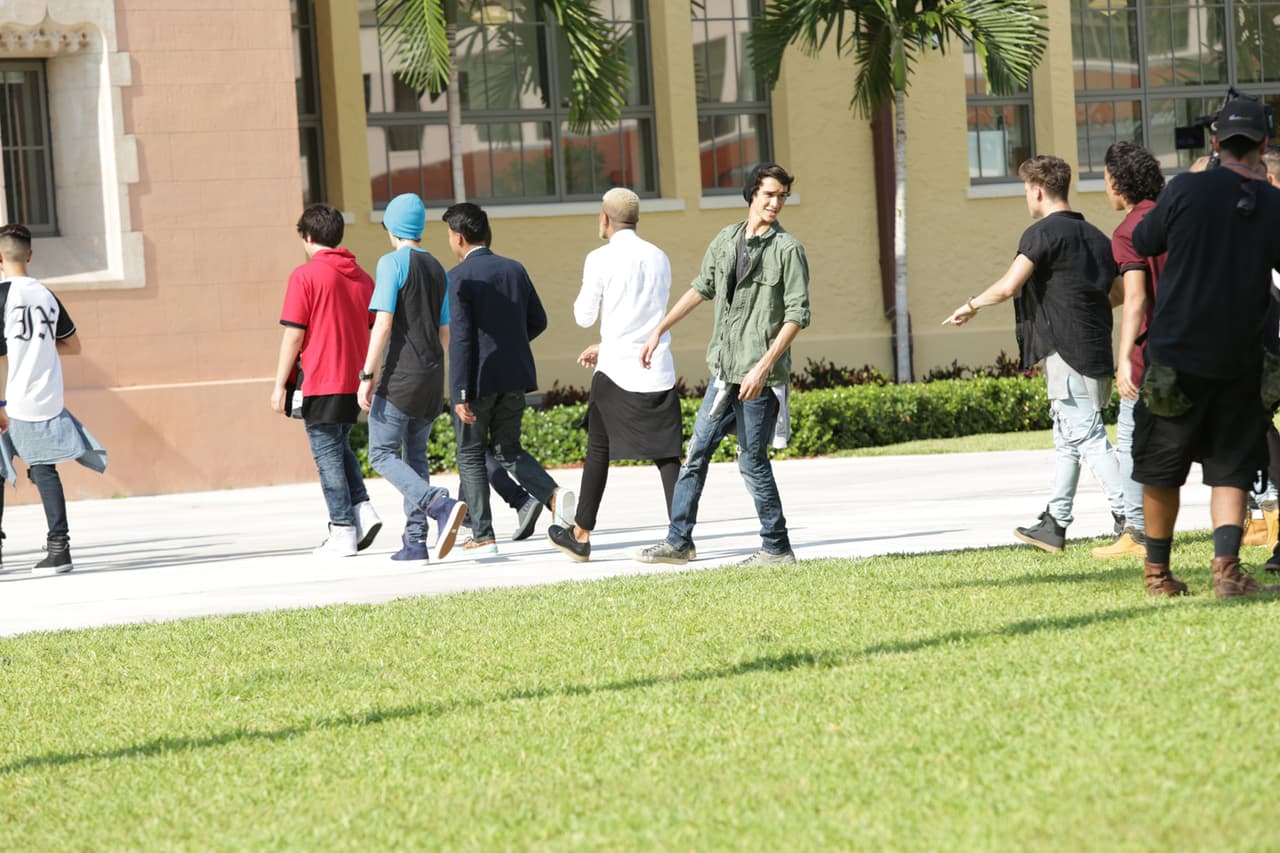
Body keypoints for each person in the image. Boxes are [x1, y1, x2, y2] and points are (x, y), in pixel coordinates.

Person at [1130, 97, 1280, 598]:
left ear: (1214, 143)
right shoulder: (1274, 203)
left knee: (1161, 464)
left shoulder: (1186, 188)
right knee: (1233, 465)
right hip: (1241, 356)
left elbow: (1146, 238)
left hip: (1175, 354)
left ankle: (1157, 573)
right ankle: (1226, 570)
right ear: (1264, 144)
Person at [944, 155, 1126, 554]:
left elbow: (1010, 286)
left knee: (1088, 437)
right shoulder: (1097, 237)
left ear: (1038, 190)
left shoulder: (1040, 234)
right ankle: (1055, 524)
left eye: (1027, 190)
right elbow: (1118, 294)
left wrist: (971, 305)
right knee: (1068, 438)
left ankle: (1130, 518)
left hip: (1067, 353)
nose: (1027, 197)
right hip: (1096, 350)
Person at [636, 162, 810, 566]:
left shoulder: (788, 250)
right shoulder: (726, 239)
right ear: (752, 193)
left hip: (757, 380)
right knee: (696, 453)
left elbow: (797, 315)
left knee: (751, 462)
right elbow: (702, 287)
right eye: (769, 194)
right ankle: (679, 542)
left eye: (782, 196)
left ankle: (777, 547)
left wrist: (763, 367)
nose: (776, 202)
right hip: (724, 375)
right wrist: (658, 328)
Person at [547, 188, 684, 563]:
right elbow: (644, 321)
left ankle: (581, 535)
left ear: (604, 218)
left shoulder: (599, 258)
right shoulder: (660, 257)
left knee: (598, 450)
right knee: (669, 455)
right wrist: (605, 345)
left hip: (617, 373)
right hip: (657, 367)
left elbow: (583, 316)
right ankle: (682, 535)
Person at [443, 202, 575, 555]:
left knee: (470, 453)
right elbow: (539, 321)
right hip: (516, 375)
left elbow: (461, 339)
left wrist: (458, 390)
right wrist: (509, 346)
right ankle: (553, 495)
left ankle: (483, 535)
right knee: (508, 449)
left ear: (458, 238)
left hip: (477, 379)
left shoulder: (457, 278)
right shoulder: (514, 269)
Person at [357, 193, 466, 563]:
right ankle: (415, 541)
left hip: (401, 378)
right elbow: (445, 331)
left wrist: (366, 375)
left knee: (381, 453)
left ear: (393, 227)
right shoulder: (437, 267)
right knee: (415, 456)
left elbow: (383, 324)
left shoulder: (391, 263)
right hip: (432, 377)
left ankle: (439, 504)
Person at [272, 204, 381, 557]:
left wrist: (279, 385)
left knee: (327, 456)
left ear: (308, 236)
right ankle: (362, 510)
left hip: (320, 378)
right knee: (339, 446)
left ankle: (342, 529)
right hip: (353, 380)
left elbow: (293, 335)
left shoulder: (305, 276)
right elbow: (372, 327)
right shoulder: (363, 278)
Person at [0, 223, 107, 574]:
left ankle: (55, 548)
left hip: (12, 398)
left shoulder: (2, 296)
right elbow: (74, 345)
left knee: (9, 471)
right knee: (44, 471)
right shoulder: (45, 294)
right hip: (45, 397)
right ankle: (58, 547)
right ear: (29, 255)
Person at [1091, 142, 1165, 560]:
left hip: (1150, 354)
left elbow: (1135, 298)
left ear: (1119, 183)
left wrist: (1122, 362)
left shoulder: (1128, 231)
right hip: (1194, 343)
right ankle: (1262, 511)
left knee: (1134, 442)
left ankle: (1136, 532)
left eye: (1106, 181)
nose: (1106, 189)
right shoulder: (1177, 216)